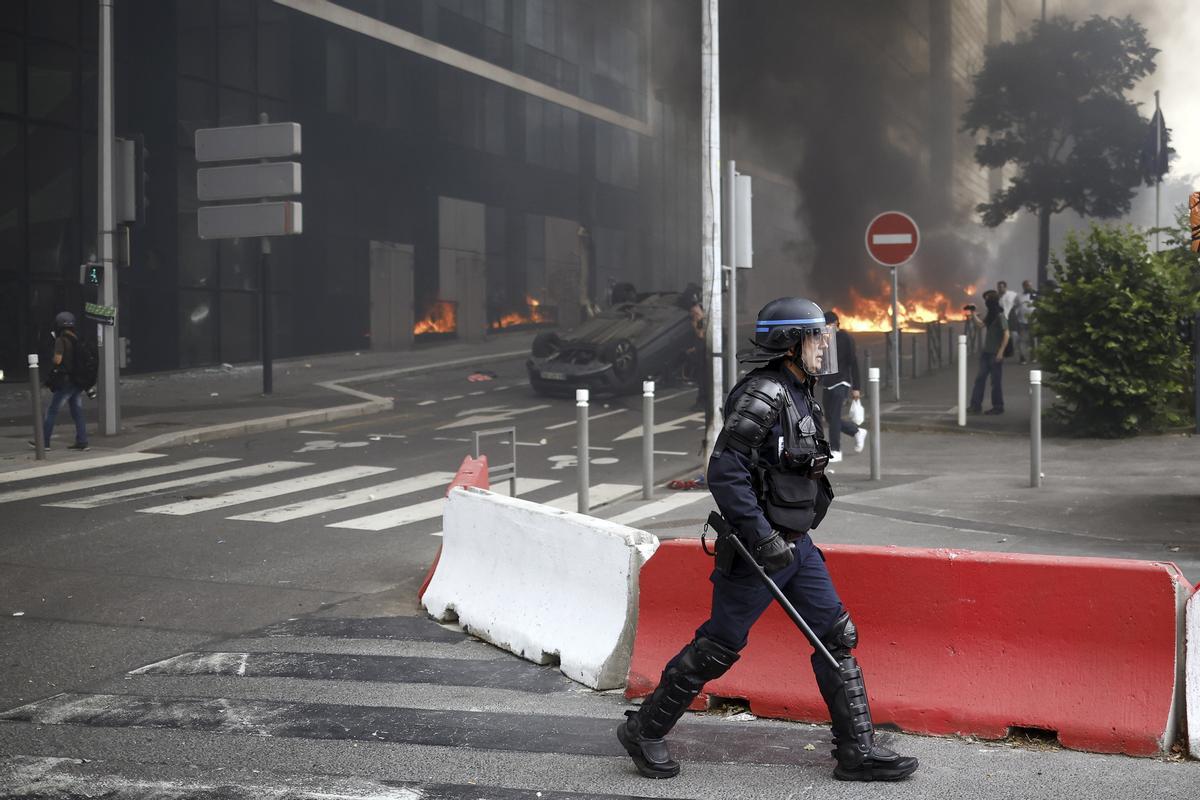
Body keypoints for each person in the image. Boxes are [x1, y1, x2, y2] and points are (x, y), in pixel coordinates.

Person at [616, 297, 919, 783]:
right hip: (759, 554)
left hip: (797, 545)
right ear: (790, 341)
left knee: (835, 637)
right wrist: (761, 538)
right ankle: (644, 730)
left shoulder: (803, 389)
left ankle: (856, 752)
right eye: (816, 336)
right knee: (720, 645)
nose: (824, 345)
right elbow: (725, 472)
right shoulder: (764, 394)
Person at [34, 311, 90, 451]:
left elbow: (58, 360)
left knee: (52, 411)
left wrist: (53, 358)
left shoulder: (61, 340)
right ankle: (82, 441)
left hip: (66, 381)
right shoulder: (76, 338)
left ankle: (44, 442)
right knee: (77, 412)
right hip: (77, 380)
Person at [819, 311, 865, 462]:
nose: (826, 328)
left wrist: (856, 387)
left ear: (836, 324)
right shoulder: (823, 339)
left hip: (842, 382)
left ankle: (835, 450)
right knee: (831, 417)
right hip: (827, 383)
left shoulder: (846, 339)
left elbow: (853, 363)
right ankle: (856, 432)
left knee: (835, 416)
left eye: (828, 325)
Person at [967, 290, 1010, 415]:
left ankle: (998, 406)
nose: (986, 302)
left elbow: (1006, 334)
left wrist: (1001, 352)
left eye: (987, 300)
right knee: (980, 379)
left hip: (995, 353)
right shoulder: (991, 314)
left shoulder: (1000, 315)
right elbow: (980, 325)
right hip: (986, 353)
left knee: (995, 382)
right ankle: (975, 405)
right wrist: (973, 313)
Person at [1015, 280, 1036, 365]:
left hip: (1033, 321)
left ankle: (1033, 356)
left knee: (1033, 340)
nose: (1028, 287)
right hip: (1022, 321)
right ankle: (1022, 358)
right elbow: (1016, 307)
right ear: (1023, 286)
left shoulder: (1035, 295)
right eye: (1027, 286)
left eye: (1030, 285)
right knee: (1022, 340)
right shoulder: (1019, 296)